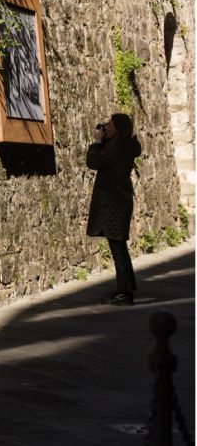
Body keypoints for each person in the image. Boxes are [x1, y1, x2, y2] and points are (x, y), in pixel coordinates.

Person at [86, 113, 142, 306]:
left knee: (118, 248)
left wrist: (96, 142)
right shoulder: (121, 147)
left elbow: (94, 162)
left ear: (119, 129)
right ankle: (125, 290)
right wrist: (103, 142)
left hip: (116, 204)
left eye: (109, 126)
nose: (105, 128)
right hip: (116, 202)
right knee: (118, 247)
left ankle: (125, 293)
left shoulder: (121, 149)